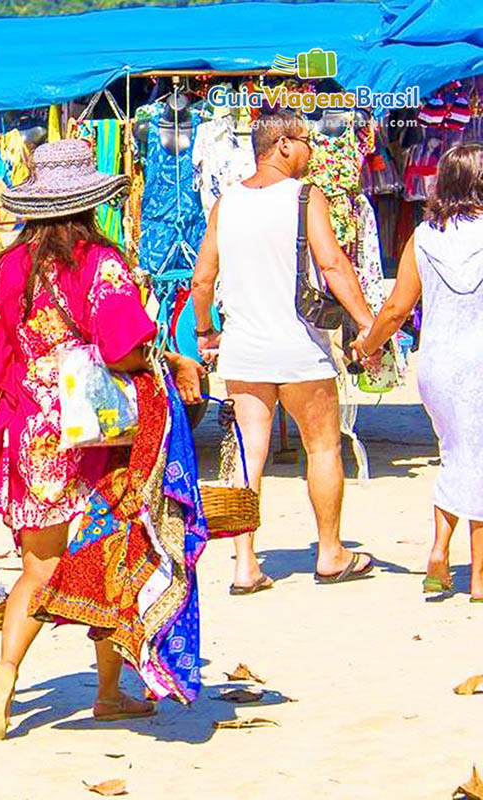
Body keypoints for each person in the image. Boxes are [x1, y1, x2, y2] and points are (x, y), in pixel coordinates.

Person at [0, 139, 208, 741]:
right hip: (100, 439)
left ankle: (5, 679)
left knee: (38, 569)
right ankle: (109, 693)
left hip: (32, 439)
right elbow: (123, 348)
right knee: (114, 561)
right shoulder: (102, 263)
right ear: (90, 202)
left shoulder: (5, 269)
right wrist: (166, 359)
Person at [191, 113, 377, 594]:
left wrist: (206, 330)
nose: (313, 151)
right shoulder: (304, 196)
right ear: (283, 146)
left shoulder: (227, 201)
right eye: (307, 142)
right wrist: (366, 322)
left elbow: (202, 278)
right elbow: (332, 263)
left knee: (247, 454)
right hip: (298, 349)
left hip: (245, 348)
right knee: (321, 447)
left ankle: (245, 564)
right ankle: (331, 553)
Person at [354, 143, 483, 601]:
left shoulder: (423, 238)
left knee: (456, 455)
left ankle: (439, 553)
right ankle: (479, 577)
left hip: (439, 365)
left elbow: (395, 309)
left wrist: (367, 346)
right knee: (478, 460)